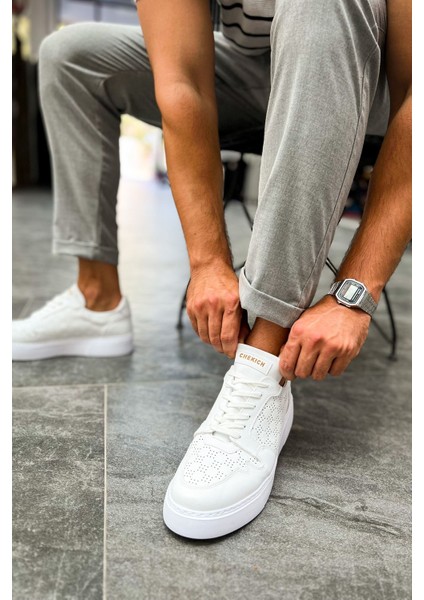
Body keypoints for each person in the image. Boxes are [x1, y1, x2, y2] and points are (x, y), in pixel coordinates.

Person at [12, 0, 411, 539]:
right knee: (69, 54)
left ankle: (263, 364)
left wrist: (353, 292)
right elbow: (183, 85)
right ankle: (96, 301)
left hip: (364, 74)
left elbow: (416, 94)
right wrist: (206, 263)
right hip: (252, 72)